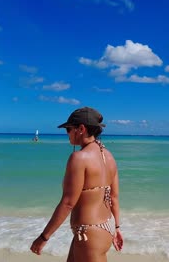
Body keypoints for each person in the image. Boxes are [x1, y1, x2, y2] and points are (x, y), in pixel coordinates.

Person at [30, 107, 123, 261]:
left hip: (88, 234)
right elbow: (114, 197)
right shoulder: (109, 156)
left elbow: (68, 203)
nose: (67, 133)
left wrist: (44, 237)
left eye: (68, 129)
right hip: (106, 227)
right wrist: (117, 228)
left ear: (81, 129)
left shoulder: (79, 158)